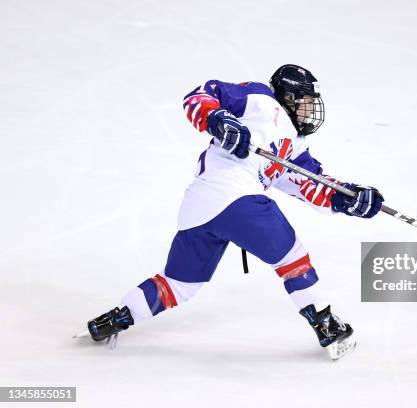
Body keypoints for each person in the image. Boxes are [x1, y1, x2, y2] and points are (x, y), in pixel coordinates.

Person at [83, 64, 385, 360]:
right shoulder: (261, 99)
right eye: (305, 103)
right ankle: (327, 325)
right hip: (236, 196)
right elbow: (201, 95)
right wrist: (218, 119)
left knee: (179, 284)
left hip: (199, 210)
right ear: (290, 98)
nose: (310, 111)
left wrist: (349, 198)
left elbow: (310, 184)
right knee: (292, 257)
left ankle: (117, 318)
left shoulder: (294, 147)